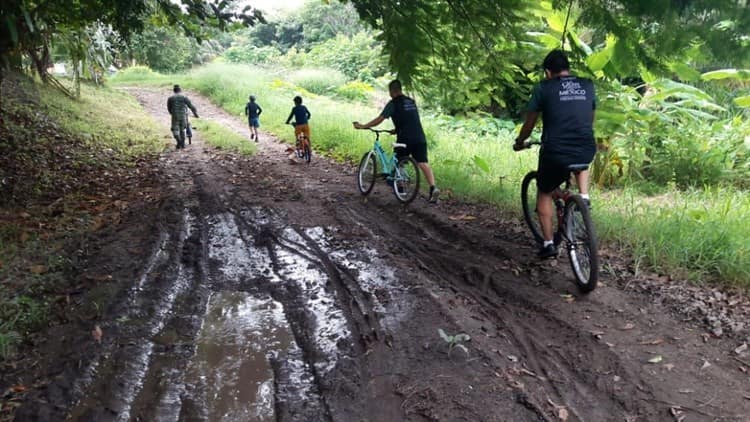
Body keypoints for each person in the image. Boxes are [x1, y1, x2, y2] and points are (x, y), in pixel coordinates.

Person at [513, 50, 596, 258]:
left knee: (544, 190)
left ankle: (549, 244)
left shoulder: (544, 88)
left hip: (555, 151)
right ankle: (584, 196)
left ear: (548, 72)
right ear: (567, 68)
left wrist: (520, 142)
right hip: (586, 146)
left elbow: (530, 123)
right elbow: (589, 117)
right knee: (581, 160)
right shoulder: (587, 85)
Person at [353, 80, 440, 202]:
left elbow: (380, 119)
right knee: (423, 163)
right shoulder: (411, 102)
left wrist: (363, 126)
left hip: (405, 138)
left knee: (399, 161)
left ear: (391, 91)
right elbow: (410, 119)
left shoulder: (393, 104)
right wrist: (396, 129)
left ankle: (400, 187)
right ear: (400, 89)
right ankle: (433, 188)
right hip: (420, 137)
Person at [167, 85, 198, 149]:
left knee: (175, 129)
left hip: (175, 116)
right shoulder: (184, 97)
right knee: (182, 130)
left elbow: (169, 108)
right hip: (183, 115)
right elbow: (191, 106)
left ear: (174, 91)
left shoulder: (170, 98)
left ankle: (179, 142)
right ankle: (183, 144)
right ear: (180, 90)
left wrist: (172, 113)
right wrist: (195, 114)